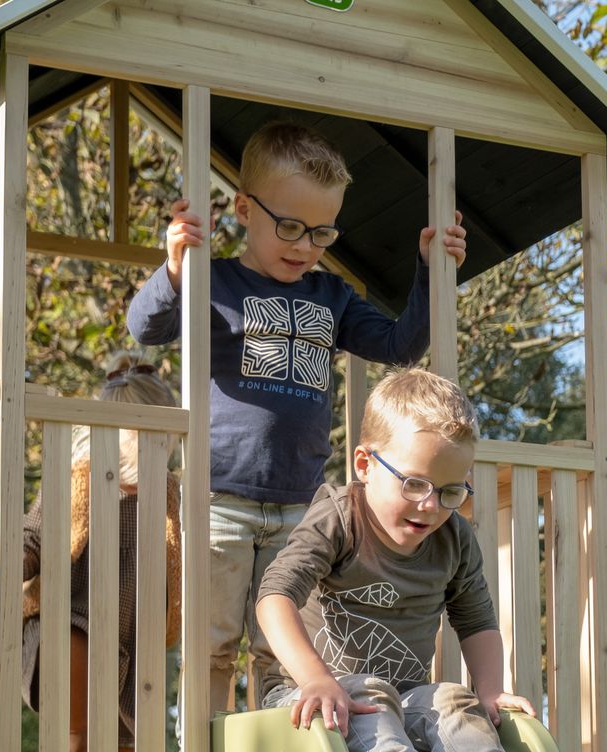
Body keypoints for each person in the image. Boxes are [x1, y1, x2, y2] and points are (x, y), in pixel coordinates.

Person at [127, 120, 467, 712]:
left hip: (301, 505)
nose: (304, 245)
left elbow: (398, 345)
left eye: (322, 232)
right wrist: (177, 269)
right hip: (220, 498)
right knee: (213, 643)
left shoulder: (330, 297)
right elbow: (146, 328)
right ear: (242, 208)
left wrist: (431, 272)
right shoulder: (217, 282)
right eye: (289, 226)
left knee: (283, 645)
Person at [252, 367, 597, 752]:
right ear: (365, 464)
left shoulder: (454, 539)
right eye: (415, 484)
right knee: (365, 696)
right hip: (305, 701)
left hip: (402, 697)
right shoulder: (339, 518)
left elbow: (476, 620)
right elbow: (275, 597)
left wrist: (491, 690)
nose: (431, 506)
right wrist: (314, 679)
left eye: (450, 491)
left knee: (452, 700)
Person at [20, 355, 183, 752]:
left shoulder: (168, 497)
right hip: (69, 617)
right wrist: (19, 560)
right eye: (143, 444)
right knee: (81, 716)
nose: (155, 454)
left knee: (126, 746)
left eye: (163, 444)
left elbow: (185, 554)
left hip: (131, 638)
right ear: (108, 439)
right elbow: (34, 534)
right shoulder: (77, 482)